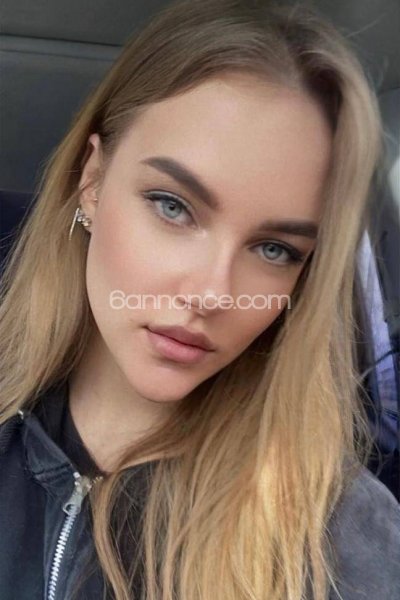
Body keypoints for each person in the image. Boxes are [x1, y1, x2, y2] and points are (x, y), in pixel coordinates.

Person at [0, 0, 399, 599]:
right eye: (173, 206)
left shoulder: (341, 533)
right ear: (93, 180)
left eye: (274, 249)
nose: (213, 294)